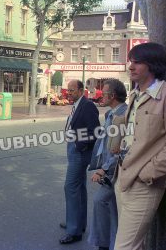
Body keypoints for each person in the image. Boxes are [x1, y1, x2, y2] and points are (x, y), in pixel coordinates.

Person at [114, 42, 166, 249]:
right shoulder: (135, 95)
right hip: (122, 177)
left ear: (152, 66)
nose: (131, 67)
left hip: (143, 184)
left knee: (124, 247)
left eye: (138, 62)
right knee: (134, 244)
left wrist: (148, 173)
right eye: (131, 61)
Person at [87, 79, 128, 250]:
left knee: (100, 201)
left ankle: (103, 244)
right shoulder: (110, 114)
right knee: (112, 208)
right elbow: (105, 143)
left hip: (115, 172)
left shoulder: (122, 115)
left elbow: (120, 148)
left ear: (112, 96)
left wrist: (104, 170)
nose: (100, 96)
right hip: (109, 170)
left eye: (103, 93)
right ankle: (112, 242)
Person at [59, 79, 100, 244]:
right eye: (68, 90)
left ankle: (74, 231)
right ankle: (77, 223)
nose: (69, 93)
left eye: (72, 90)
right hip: (73, 149)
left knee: (70, 187)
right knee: (79, 187)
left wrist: (79, 145)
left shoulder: (88, 106)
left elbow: (95, 131)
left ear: (81, 90)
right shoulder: (76, 104)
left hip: (79, 152)